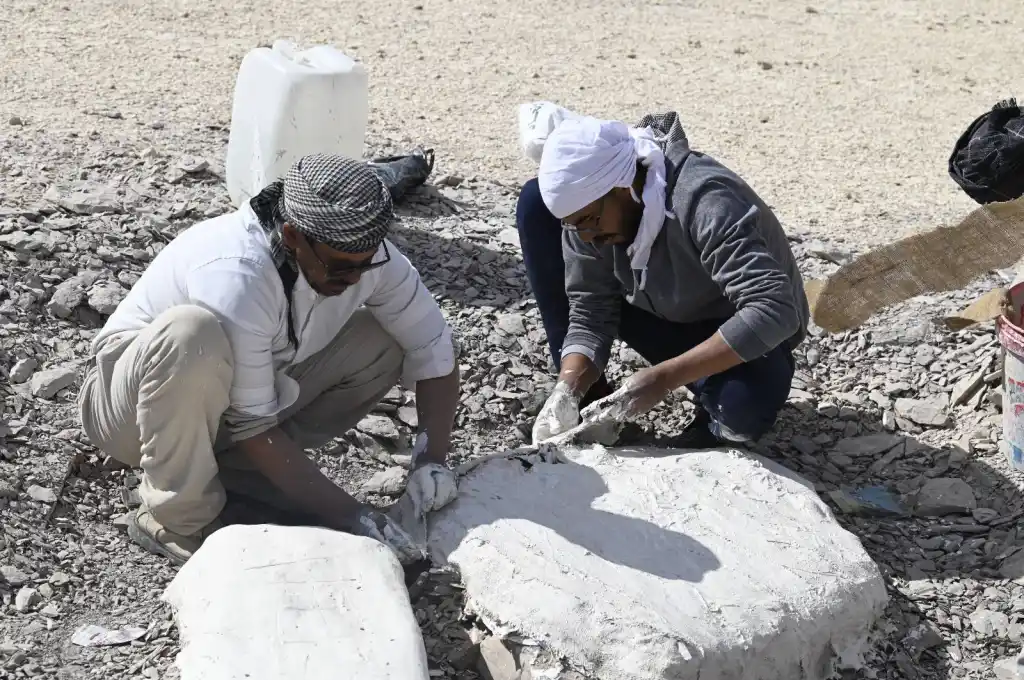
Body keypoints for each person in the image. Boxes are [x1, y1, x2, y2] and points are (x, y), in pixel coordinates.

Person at [78, 153, 461, 566]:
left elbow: (434, 351)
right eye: (338, 267)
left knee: (384, 337)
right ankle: (177, 518)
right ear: (294, 237)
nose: (353, 279)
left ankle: (240, 478)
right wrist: (357, 518)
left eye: (364, 265)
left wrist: (430, 462)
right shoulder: (236, 271)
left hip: (229, 406)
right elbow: (252, 423)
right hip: (129, 412)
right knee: (191, 334)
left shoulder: (365, 258)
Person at [516, 113, 809, 448]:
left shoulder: (704, 201)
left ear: (624, 186)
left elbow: (775, 309)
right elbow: (590, 310)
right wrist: (568, 388)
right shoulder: (590, 218)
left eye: (589, 221)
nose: (587, 236)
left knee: (742, 408)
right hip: (655, 305)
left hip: (730, 323)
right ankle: (588, 403)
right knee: (534, 204)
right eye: (575, 226)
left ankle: (708, 418)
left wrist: (663, 379)